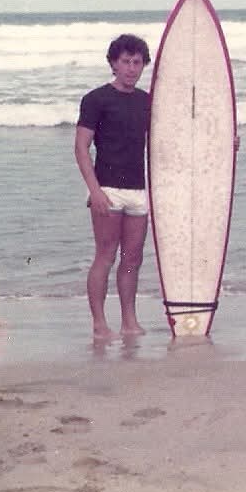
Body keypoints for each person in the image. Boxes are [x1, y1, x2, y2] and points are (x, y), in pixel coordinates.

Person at [75, 34, 152, 340]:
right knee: (105, 255)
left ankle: (129, 321)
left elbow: (173, 137)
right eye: (125, 62)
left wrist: (229, 142)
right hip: (107, 187)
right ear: (113, 63)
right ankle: (99, 324)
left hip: (138, 189)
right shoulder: (96, 99)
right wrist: (94, 191)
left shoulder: (147, 101)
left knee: (133, 259)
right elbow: (81, 148)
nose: (132, 68)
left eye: (137, 62)